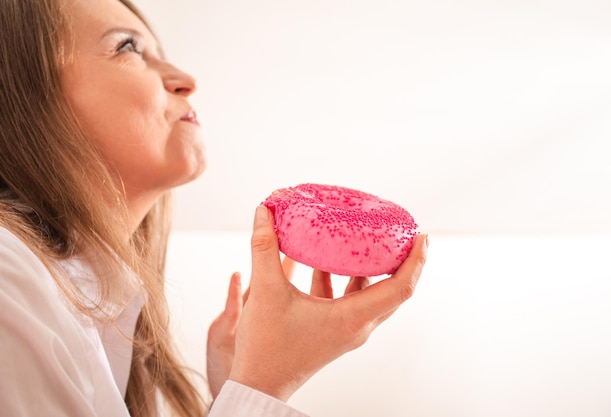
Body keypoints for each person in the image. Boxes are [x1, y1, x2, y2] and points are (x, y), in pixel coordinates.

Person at [0, 0, 429, 416]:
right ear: (23, 94)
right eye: (128, 47)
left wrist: (233, 393)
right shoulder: (8, 279)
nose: (186, 79)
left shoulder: (98, 308)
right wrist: (263, 384)